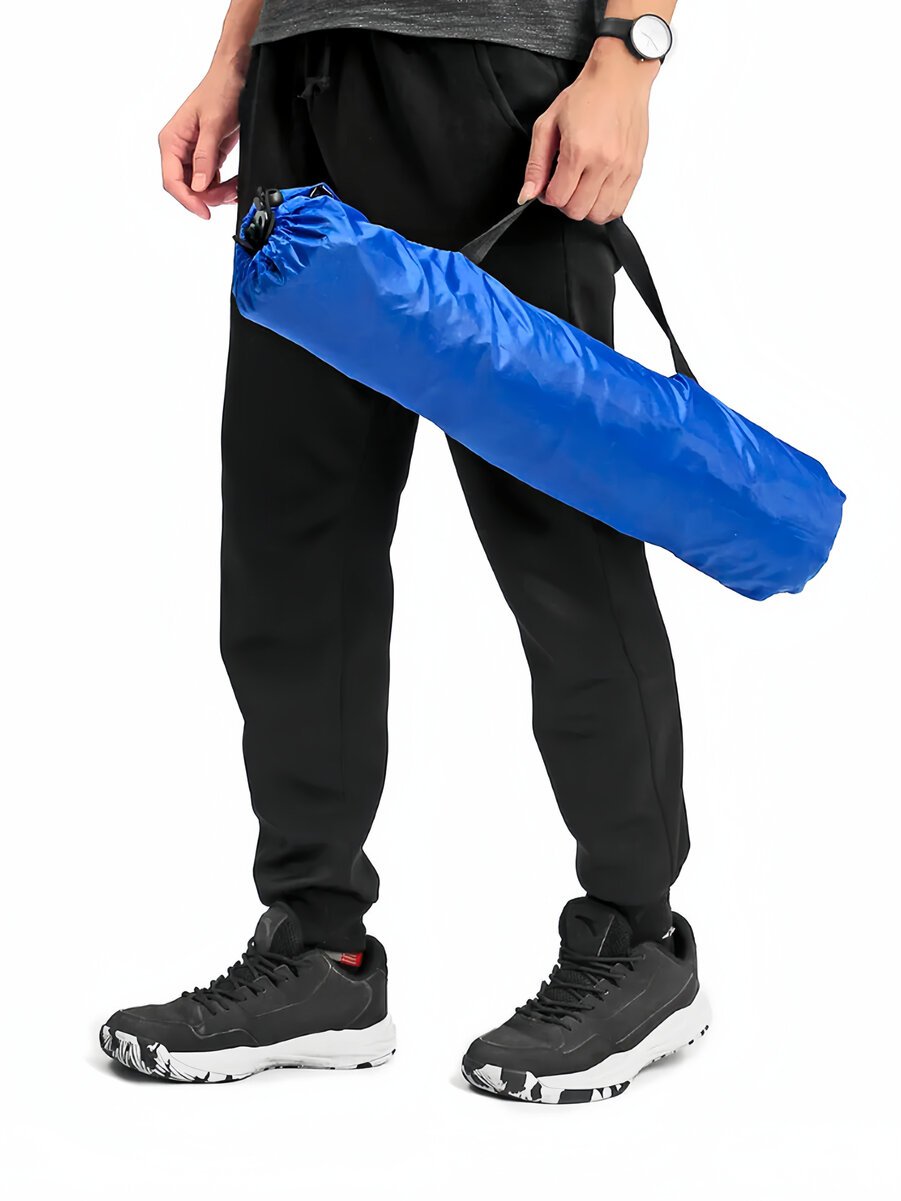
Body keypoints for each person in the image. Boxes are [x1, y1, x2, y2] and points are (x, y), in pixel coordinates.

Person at [101, 0, 710, 1102]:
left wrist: (629, 56)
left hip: (497, 91)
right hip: (301, 79)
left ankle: (639, 940)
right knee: (293, 546)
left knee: (560, 540)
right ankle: (317, 952)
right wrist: (234, 58)